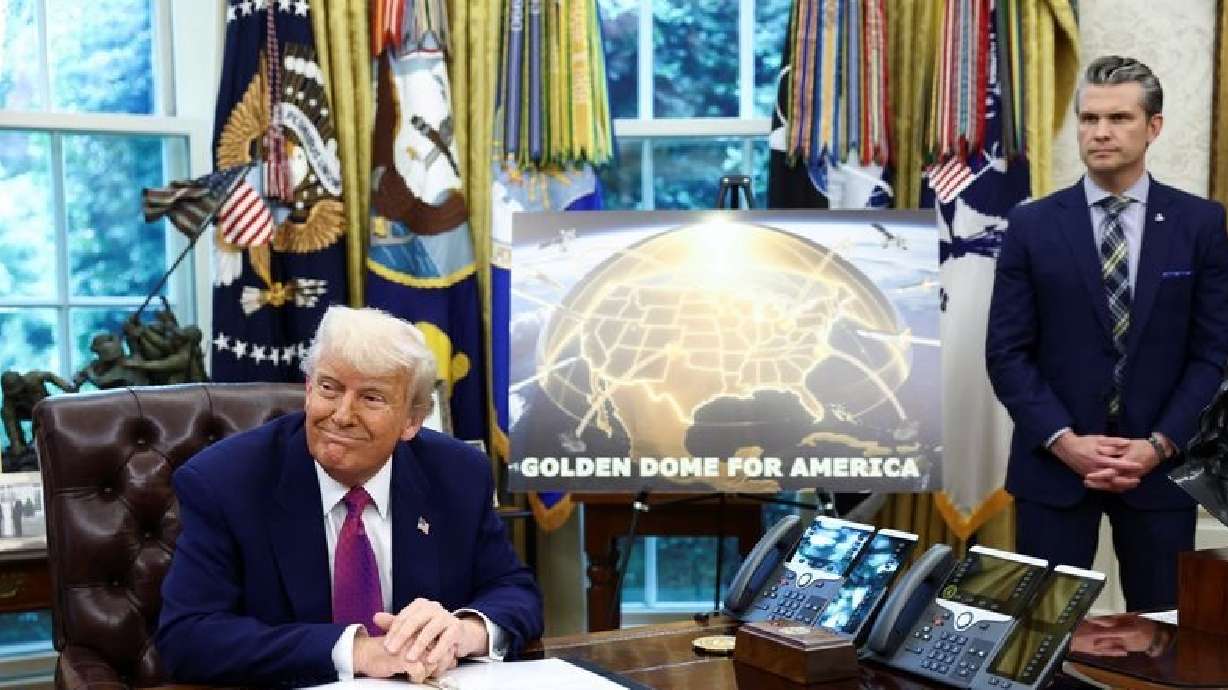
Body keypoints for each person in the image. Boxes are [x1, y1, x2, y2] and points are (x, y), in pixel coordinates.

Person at [156, 306, 542, 686]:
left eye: (371, 398)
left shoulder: (458, 474)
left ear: (412, 421)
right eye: (329, 388)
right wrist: (358, 652)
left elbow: (514, 589)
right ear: (308, 391)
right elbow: (188, 636)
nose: (341, 414)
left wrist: (462, 632)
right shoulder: (224, 482)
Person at [986, 55, 1228, 611]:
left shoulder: (1199, 224)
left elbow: (1212, 354)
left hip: (1160, 471)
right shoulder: (1031, 224)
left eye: (1119, 118)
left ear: (1154, 126)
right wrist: (1065, 442)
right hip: (1054, 469)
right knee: (1037, 636)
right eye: (1089, 118)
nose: (1100, 132)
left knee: (1164, 641)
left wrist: (1159, 444)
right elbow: (1006, 353)